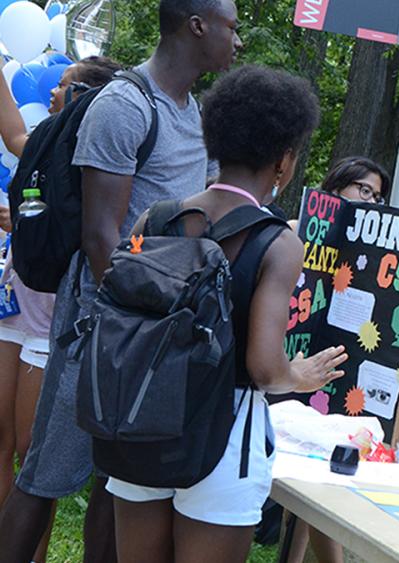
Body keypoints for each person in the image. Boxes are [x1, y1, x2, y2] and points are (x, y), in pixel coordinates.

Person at [0, 2, 242, 561]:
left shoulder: (192, 113)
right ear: (197, 25)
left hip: (152, 331)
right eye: (230, 26)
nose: (237, 39)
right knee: (46, 476)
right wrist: (155, 321)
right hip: (100, 327)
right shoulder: (124, 105)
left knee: (120, 488)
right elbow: (100, 240)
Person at [108, 63, 347, 563]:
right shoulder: (277, 241)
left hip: (141, 419)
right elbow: (263, 367)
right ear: (284, 162)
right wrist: (297, 375)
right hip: (224, 435)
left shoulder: (158, 218)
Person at [0, 55, 123, 563]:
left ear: (88, 98)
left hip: (52, 321)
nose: (54, 91)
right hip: (12, 307)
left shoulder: (99, 164)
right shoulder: (44, 144)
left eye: (66, 85)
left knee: (34, 452)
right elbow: (12, 134)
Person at [279, 155, 391, 563]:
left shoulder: (365, 257)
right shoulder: (294, 232)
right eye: (364, 190)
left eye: (378, 198)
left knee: (323, 479)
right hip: (280, 371)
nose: (372, 203)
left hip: (331, 377)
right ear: (335, 188)